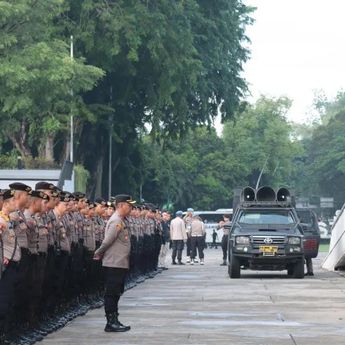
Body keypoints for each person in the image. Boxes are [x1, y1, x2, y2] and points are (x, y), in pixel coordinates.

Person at [94, 194, 136, 333]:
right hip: (114, 263)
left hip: (120, 263)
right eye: (129, 206)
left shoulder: (122, 220)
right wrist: (98, 252)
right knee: (112, 293)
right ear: (121, 205)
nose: (131, 209)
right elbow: (107, 241)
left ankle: (114, 319)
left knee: (116, 292)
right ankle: (110, 322)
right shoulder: (116, 221)